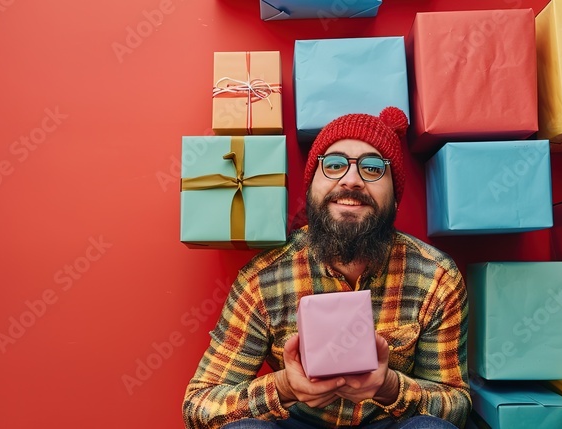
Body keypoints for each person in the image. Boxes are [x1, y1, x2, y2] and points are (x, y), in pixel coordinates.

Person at [182, 107, 470, 429]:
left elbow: (455, 404)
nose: (351, 180)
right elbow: (199, 405)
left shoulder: (435, 278)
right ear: (310, 189)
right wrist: (284, 388)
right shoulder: (263, 280)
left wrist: (390, 387)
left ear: (395, 197)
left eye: (373, 168)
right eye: (333, 165)